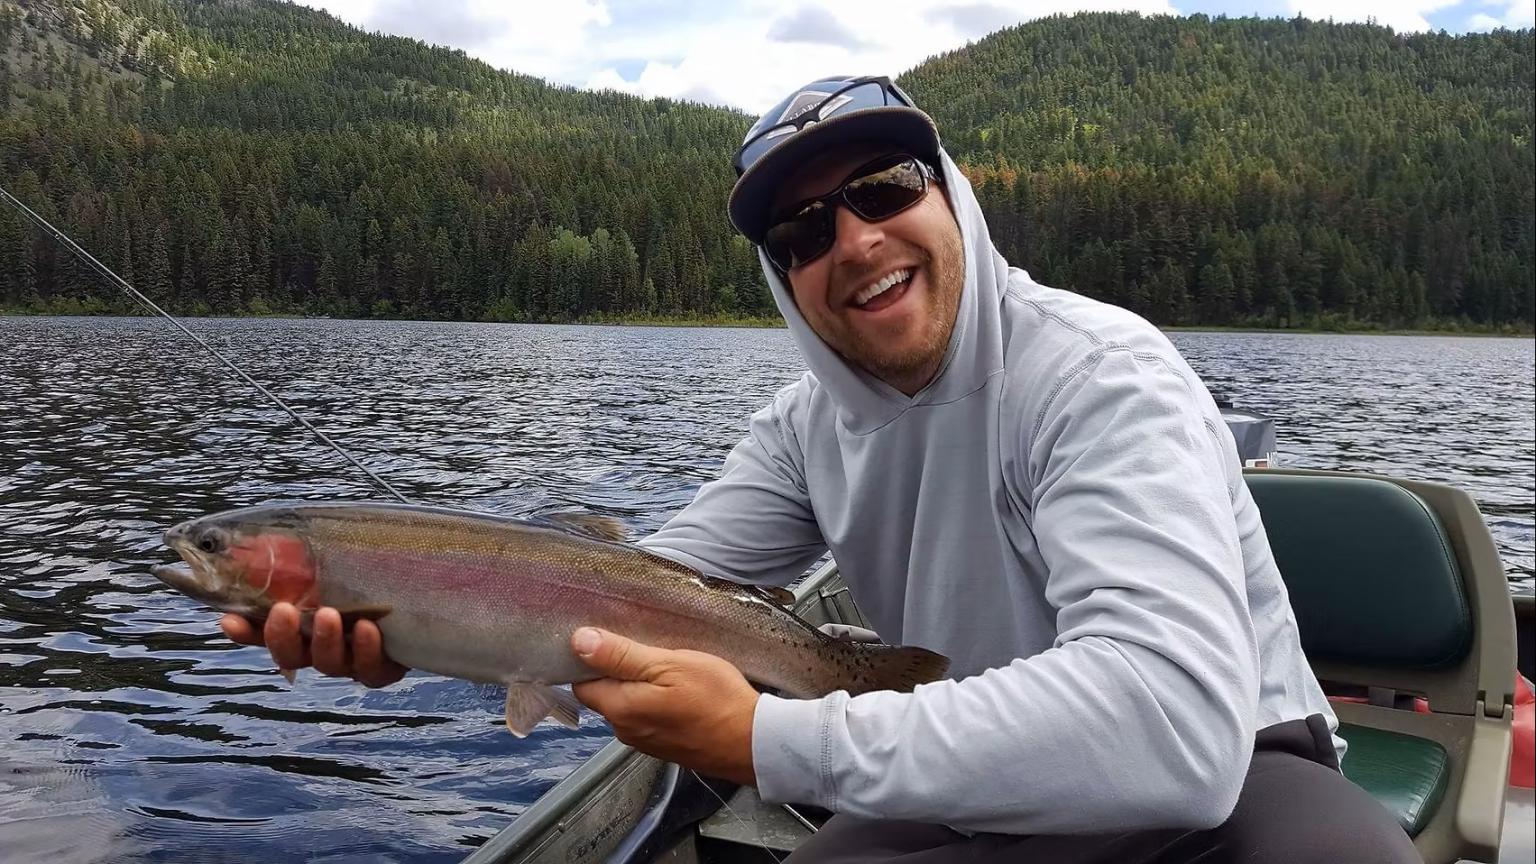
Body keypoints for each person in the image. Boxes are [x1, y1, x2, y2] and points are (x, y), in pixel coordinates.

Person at [222, 76, 1419, 863]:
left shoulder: (1102, 375)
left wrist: (770, 742)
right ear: (783, 278)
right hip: (964, 786)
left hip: (1232, 787)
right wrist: (423, 626)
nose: (853, 241)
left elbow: (1170, 732)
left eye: (883, 191)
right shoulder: (805, 427)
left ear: (954, 197)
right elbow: (634, 596)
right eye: (802, 232)